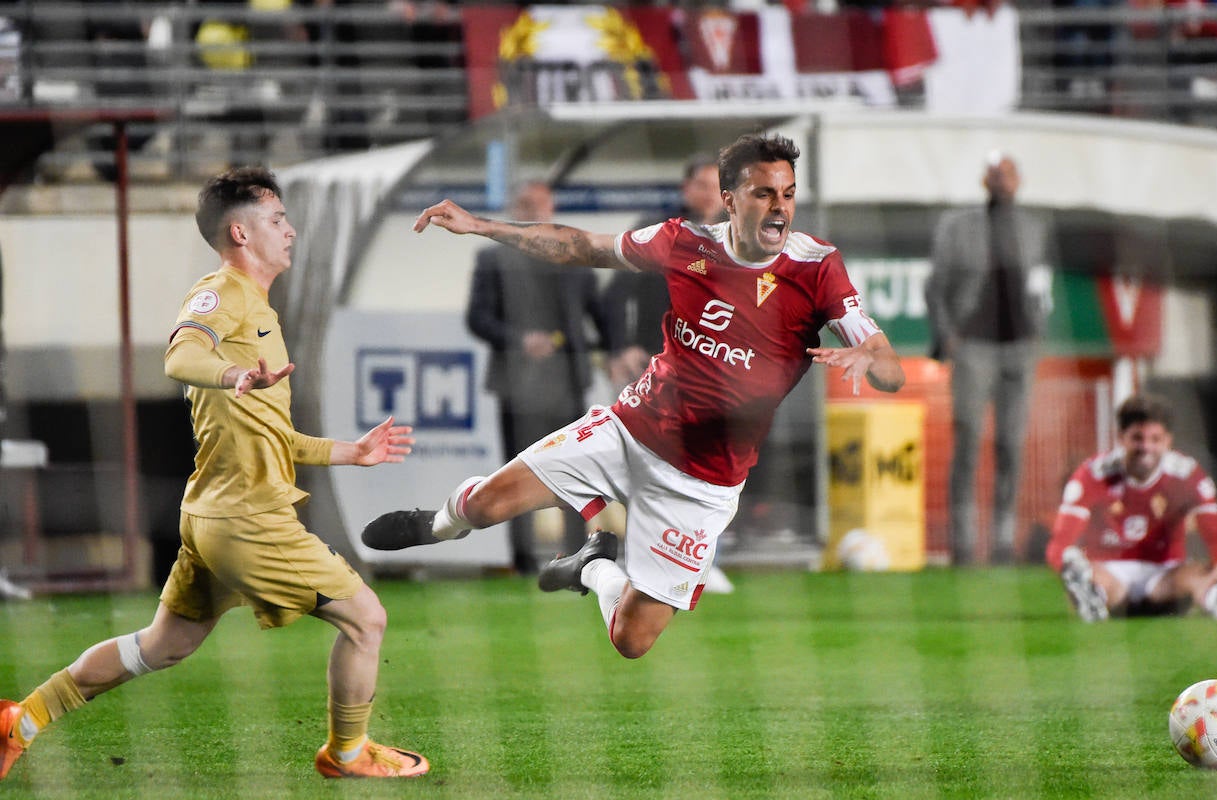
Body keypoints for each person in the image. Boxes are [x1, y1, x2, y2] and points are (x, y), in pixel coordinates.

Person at [362, 133, 906, 660]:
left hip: (702, 483)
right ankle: (436, 526)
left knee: (631, 641)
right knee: (485, 506)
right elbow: (581, 247)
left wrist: (869, 358)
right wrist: (482, 225)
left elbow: (889, 367)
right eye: (763, 193)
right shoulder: (683, 242)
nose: (779, 208)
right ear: (729, 199)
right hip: (627, 430)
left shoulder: (816, 268)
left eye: (787, 194)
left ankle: (591, 564)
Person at [0, 167, 428, 781]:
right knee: (367, 619)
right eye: (277, 220)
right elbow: (179, 354)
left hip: (213, 514)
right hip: (248, 520)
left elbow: (266, 436)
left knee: (162, 645)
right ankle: (347, 754)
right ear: (240, 232)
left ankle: (21, 721)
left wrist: (348, 452)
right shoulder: (222, 294)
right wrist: (234, 375)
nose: (291, 231)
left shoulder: (258, 310)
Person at [467, 179, 621, 575]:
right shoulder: (492, 259)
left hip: (567, 382)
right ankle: (521, 561)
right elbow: (478, 318)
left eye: (539, 203)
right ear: (514, 208)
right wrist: (521, 340)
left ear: (551, 207)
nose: (533, 210)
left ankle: (574, 557)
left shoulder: (576, 256)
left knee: (574, 473)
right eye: (524, 203)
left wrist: (617, 352)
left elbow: (601, 316)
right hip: (517, 385)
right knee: (513, 476)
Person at [924, 151, 1052, 565]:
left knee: (1012, 447)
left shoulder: (1034, 227)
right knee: (968, 443)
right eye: (996, 174)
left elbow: (1039, 284)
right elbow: (936, 285)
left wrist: (1038, 333)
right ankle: (963, 545)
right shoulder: (959, 227)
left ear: (1020, 179)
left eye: (1009, 173)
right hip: (975, 346)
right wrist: (949, 338)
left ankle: (1002, 543)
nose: (1003, 181)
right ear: (985, 181)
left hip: (1020, 347)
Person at [1045, 394, 1217, 623]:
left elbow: (1216, 536)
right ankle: (1092, 594)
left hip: (1165, 576)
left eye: (1155, 439)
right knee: (1091, 574)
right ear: (1121, 438)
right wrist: (1069, 565)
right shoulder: (1093, 474)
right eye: (1137, 438)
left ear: (1168, 441)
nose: (1146, 447)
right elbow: (1059, 546)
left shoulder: (1186, 474)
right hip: (1110, 573)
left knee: (1197, 575)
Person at [602, 153, 727, 388]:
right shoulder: (658, 231)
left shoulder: (738, 238)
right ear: (686, 188)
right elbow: (615, 293)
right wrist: (621, 347)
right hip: (660, 358)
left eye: (716, 187)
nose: (710, 194)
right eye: (702, 185)